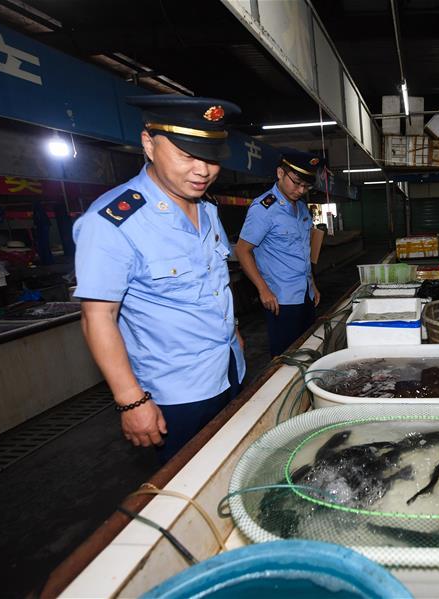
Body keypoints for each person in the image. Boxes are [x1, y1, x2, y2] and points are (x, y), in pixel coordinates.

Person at [73, 95, 246, 463]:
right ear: (149, 145)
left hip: (228, 367)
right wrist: (131, 400)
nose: (203, 171)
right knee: (184, 485)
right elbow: (97, 317)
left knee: (231, 466)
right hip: (174, 393)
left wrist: (233, 334)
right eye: (187, 155)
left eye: (212, 158)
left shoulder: (207, 208)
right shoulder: (112, 222)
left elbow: (214, 283)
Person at [235, 151, 322, 357]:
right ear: (280, 173)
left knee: (308, 350)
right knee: (286, 357)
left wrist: (312, 284)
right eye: (297, 183)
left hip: (305, 294)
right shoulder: (264, 209)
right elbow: (242, 250)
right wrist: (263, 290)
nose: (301, 190)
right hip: (281, 299)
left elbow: (303, 251)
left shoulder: (302, 208)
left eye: (306, 186)